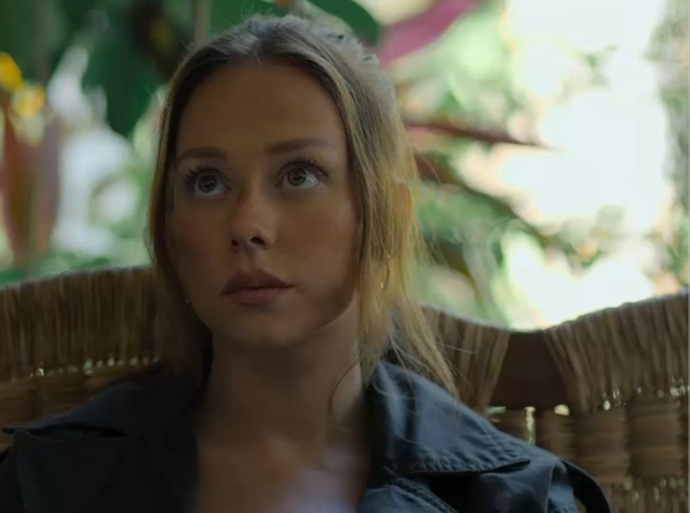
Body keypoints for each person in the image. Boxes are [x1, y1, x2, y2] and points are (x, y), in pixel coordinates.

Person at [0, 14, 611, 513]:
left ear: (382, 211)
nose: (247, 225)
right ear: (170, 227)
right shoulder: (49, 482)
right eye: (207, 182)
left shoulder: (513, 498)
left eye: (299, 175)